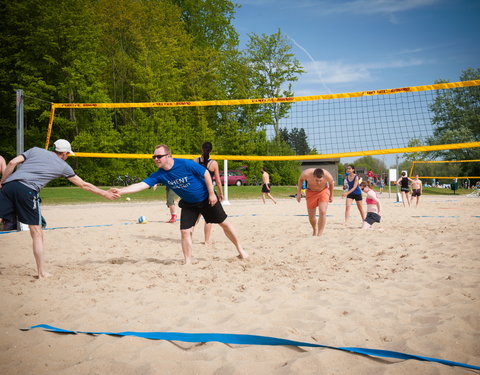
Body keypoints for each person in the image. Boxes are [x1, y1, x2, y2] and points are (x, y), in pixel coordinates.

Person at [0, 140, 118, 279]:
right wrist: (105, 193)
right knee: (36, 231)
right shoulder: (63, 166)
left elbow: (12, 163)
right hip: (28, 190)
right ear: (63, 153)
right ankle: (41, 272)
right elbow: (84, 185)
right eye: (68, 154)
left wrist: (2, 182)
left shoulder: (35, 150)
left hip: (9, 186)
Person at [112, 144, 247, 264]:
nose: (156, 159)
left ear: (169, 156)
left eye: (159, 156)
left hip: (206, 198)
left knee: (224, 223)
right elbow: (141, 185)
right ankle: (188, 261)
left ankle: (240, 249)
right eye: (154, 157)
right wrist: (121, 191)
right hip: (189, 203)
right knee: (184, 231)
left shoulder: (184, 164)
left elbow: (206, 173)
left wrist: (212, 194)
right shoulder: (159, 174)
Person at [193, 142, 224, 244]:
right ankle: (206, 241)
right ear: (211, 150)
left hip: (196, 191)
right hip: (209, 192)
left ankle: (188, 238)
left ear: (201, 149)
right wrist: (221, 193)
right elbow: (218, 181)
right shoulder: (213, 163)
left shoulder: (195, 161)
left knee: (194, 218)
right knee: (208, 219)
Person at [296, 168, 334, 236]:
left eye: (320, 180)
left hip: (323, 191)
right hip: (310, 192)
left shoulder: (327, 175)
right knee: (311, 216)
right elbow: (300, 180)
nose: (318, 182)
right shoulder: (306, 173)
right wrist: (298, 193)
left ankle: (320, 233)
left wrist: (331, 195)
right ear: (313, 176)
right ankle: (315, 229)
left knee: (322, 211)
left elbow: (331, 183)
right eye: (317, 180)